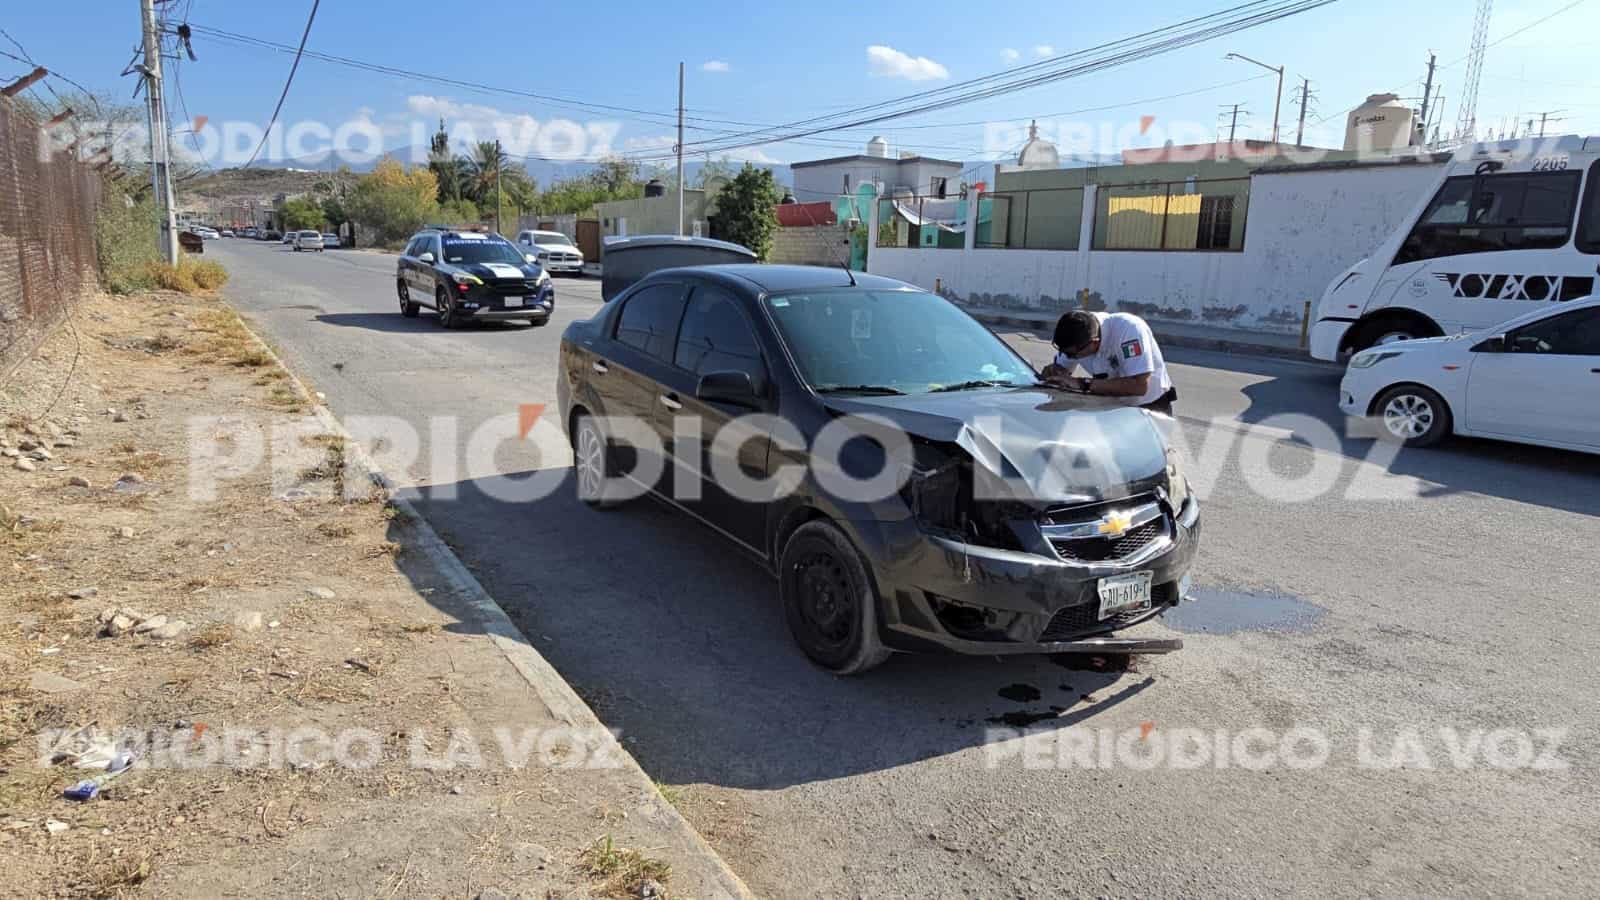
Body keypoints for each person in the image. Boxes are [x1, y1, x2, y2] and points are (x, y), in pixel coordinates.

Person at [1041, 309, 1177, 415]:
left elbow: (1139, 386)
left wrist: (1082, 384)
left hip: (1147, 406)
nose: (1068, 356)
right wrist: (1055, 374)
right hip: (1109, 405)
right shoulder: (1075, 332)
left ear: (1094, 343)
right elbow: (1062, 368)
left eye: (1072, 354)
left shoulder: (1129, 330)